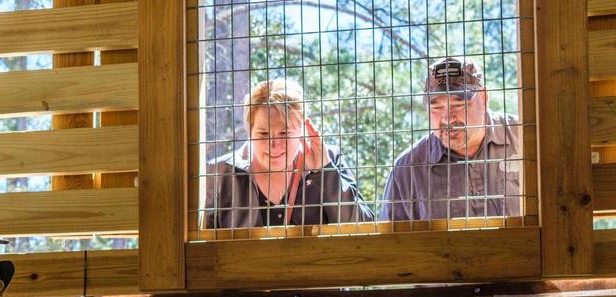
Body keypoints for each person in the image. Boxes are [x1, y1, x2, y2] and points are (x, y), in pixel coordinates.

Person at [204, 78, 372, 229]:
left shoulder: (329, 158)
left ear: (302, 129)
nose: (274, 144)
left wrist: (325, 171)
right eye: (263, 134)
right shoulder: (220, 173)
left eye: (284, 133)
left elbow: (364, 228)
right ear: (249, 131)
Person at [380, 57, 523, 221]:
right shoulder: (407, 170)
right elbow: (393, 242)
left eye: (458, 104)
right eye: (437, 107)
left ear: (484, 98)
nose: (447, 118)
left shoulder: (524, 136)